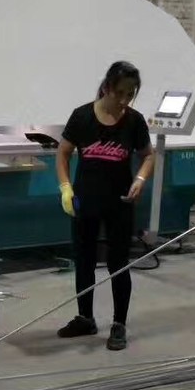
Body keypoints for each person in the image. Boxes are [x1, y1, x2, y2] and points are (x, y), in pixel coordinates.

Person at [55, 60, 155, 351]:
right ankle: (85, 318)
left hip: (119, 204)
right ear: (107, 87)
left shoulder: (134, 121)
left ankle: (119, 323)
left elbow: (149, 156)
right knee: (84, 260)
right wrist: (65, 187)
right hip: (85, 201)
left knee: (118, 264)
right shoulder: (82, 116)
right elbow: (63, 154)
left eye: (130, 94)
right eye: (120, 93)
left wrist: (140, 178)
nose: (124, 100)